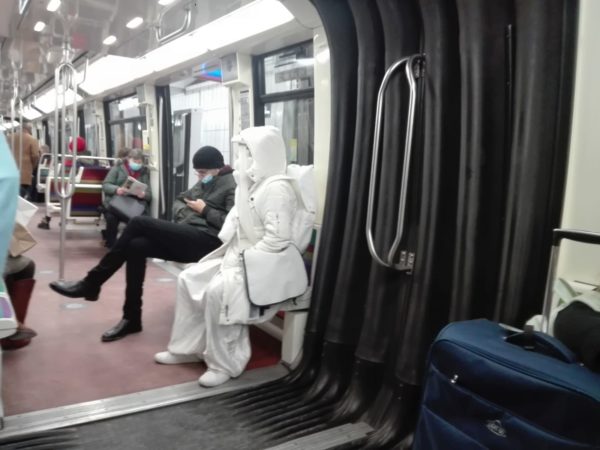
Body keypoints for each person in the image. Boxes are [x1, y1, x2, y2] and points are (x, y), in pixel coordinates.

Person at [154, 126, 298, 387]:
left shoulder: (277, 189)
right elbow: (233, 224)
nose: (242, 160)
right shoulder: (250, 186)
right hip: (237, 256)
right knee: (189, 278)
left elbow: (277, 240)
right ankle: (187, 348)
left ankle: (225, 363)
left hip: (263, 263)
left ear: (262, 155)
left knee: (219, 292)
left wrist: (243, 260)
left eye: (247, 153)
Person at [49, 146, 236, 342]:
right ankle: (131, 318)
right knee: (136, 246)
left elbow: (229, 224)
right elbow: (179, 201)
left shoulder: (232, 185)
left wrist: (204, 210)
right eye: (198, 173)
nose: (200, 177)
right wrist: (188, 212)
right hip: (190, 233)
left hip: (208, 242)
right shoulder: (207, 180)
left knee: (139, 222)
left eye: (203, 173)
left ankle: (91, 283)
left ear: (217, 168)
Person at [101, 148, 152, 248]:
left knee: (139, 218)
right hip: (117, 202)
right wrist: (117, 189)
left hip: (134, 203)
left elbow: (149, 194)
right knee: (111, 217)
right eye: (135, 161)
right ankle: (112, 244)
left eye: (139, 162)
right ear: (129, 159)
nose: (137, 164)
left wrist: (143, 195)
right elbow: (106, 185)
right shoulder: (117, 168)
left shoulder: (144, 173)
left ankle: (129, 243)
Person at [8, 122, 40, 198]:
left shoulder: (9, 137)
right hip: (24, 172)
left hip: (9, 170)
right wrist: (33, 166)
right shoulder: (32, 140)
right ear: (29, 129)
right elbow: (35, 156)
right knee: (22, 194)